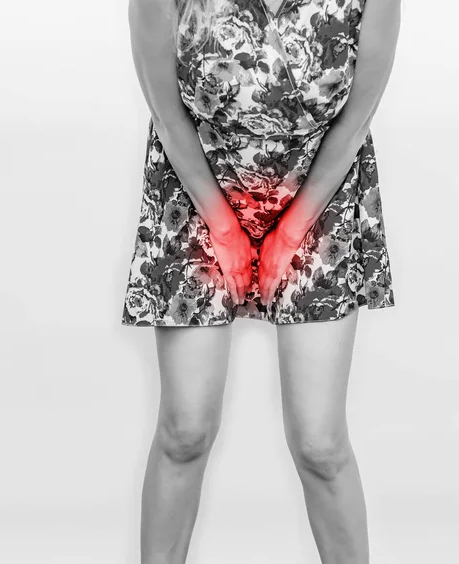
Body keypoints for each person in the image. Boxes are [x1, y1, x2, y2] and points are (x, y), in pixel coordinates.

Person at [122, 0, 401, 561]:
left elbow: (358, 115)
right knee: (185, 432)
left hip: (319, 196)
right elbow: (165, 106)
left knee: (321, 445)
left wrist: (292, 229)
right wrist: (222, 228)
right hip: (195, 190)